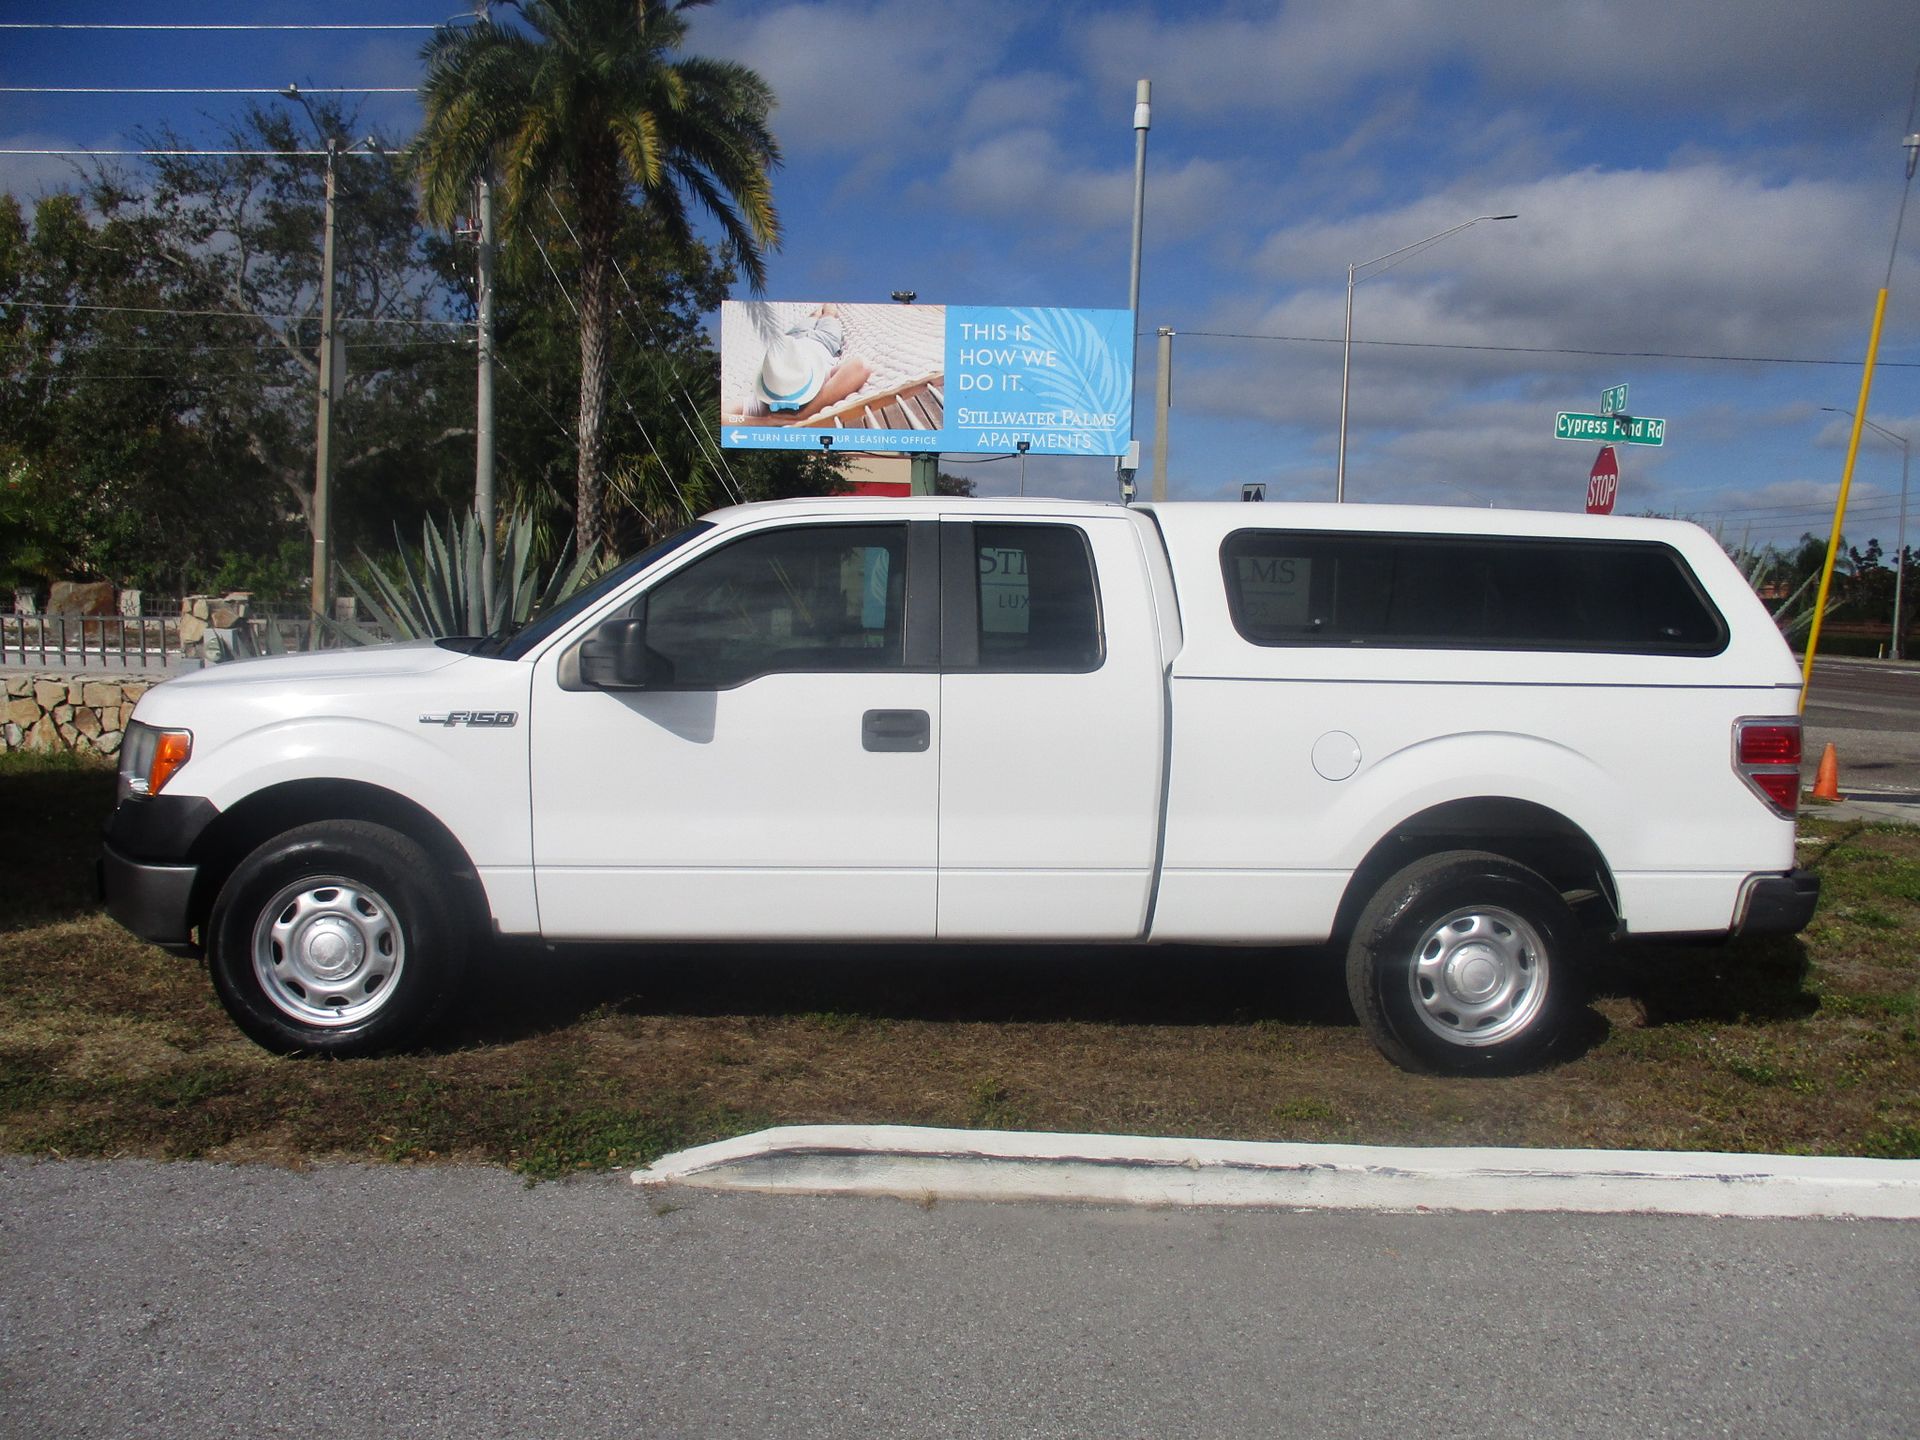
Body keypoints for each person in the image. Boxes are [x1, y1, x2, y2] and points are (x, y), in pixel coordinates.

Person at [748, 304, 873, 425]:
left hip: (792, 340)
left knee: (813, 315)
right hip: (824, 339)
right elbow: (861, 366)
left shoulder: (766, 397)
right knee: (829, 314)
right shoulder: (822, 381)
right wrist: (804, 414)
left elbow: (728, 415)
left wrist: (766, 421)